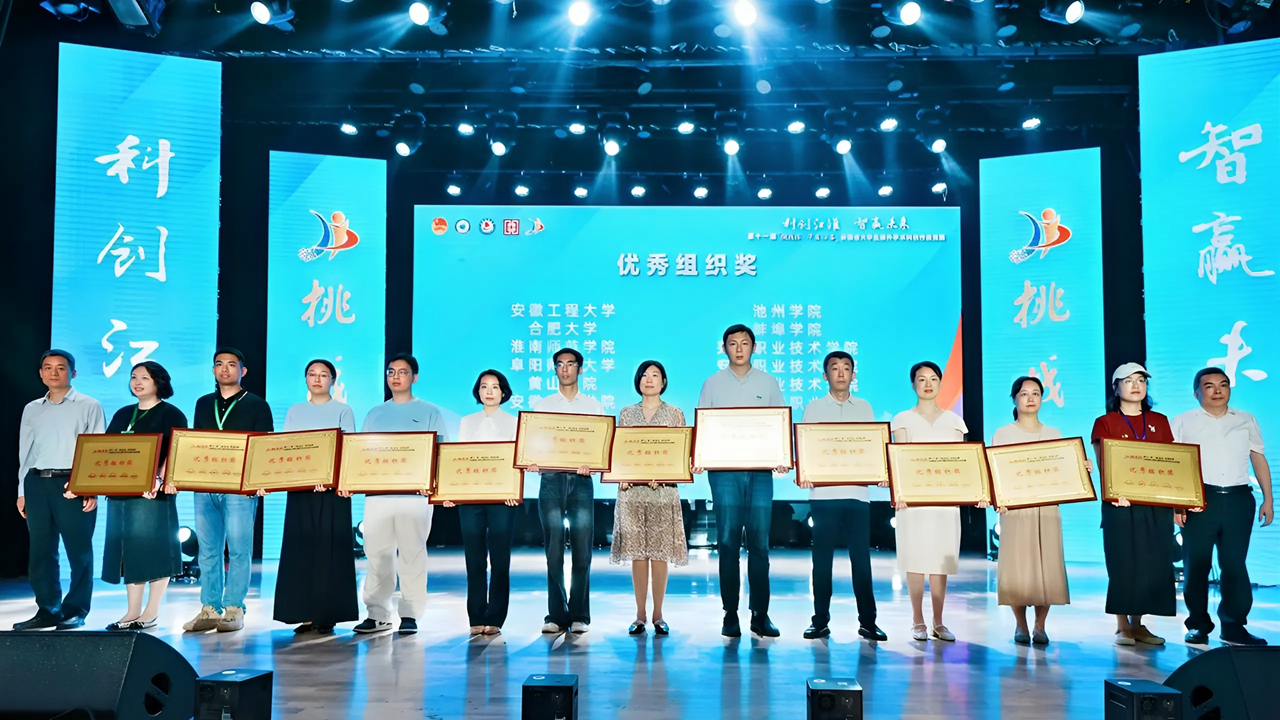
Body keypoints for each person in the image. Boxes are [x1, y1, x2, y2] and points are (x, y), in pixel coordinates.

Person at [695, 323, 788, 639]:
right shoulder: (712, 383)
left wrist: (782, 455)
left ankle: (760, 615)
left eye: (744, 343)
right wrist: (699, 456)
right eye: (732, 343)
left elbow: (779, 424)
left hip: (760, 472)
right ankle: (730, 614)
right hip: (724, 473)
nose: (739, 348)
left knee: (759, 543)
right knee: (727, 542)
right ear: (724, 348)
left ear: (754, 347)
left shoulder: (768, 382)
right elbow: (704, 426)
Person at [1172, 367, 1273, 647]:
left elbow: (1258, 458)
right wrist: (1177, 505)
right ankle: (1198, 625)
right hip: (1199, 499)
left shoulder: (1246, 419)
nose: (1217, 391)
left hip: (1239, 498)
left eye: (1223, 385)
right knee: (1197, 565)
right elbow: (1173, 463)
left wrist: (1268, 498)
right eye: (1209, 386)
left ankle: (1233, 626)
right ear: (1196, 393)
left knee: (1234, 565)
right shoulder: (1181, 422)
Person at [351, 353, 447, 636]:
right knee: (376, 554)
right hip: (378, 495)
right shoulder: (375, 413)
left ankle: (410, 614)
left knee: (412, 554)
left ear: (414, 377)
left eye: (402, 372)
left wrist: (434, 485)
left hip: (415, 496)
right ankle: (377, 614)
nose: (395, 377)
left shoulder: (430, 411)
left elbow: (440, 452)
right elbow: (361, 452)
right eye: (391, 372)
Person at [13, 350, 105, 631]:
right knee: (41, 551)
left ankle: (75, 609)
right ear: (41, 373)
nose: (54, 372)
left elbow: (97, 449)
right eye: (48, 367)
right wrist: (22, 490)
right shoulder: (32, 408)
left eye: (61, 368)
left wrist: (90, 488)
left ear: (73, 373)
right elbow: (25, 452)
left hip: (71, 484)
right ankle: (47, 609)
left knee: (79, 550)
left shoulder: (89, 405)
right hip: (36, 482)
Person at [184, 348, 274, 634]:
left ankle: (234, 608)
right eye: (219, 364)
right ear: (213, 370)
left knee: (238, 549)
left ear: (242, 371)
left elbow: (265, 446)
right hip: (205, 485)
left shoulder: (257, 404)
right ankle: (210, 608)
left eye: (232, 364)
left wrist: (261, 479)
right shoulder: (203, 403)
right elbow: (196, 442)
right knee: (208, 550)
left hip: (239, 487)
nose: (225, 369)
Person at [799, 351, 886, 642]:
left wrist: (880, 470)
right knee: (821, 562)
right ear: (825, 375)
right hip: (823, 495)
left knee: (861, 560)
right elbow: (806, 448)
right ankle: (819, 621)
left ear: (853, 375)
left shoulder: (864, 408)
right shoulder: (813, 408)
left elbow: (872, 448)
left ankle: (868, 622)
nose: (840, 373)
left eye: (846, 368)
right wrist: (806, 471)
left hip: (857, 495)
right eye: (834, 368)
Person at [1091, 362, 1178, 646]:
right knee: (1122, 563)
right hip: (1120, 504)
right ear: (1116, 388)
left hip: (1155, 504)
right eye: (1128, 381)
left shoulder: (1160, 421)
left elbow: (1170, 461)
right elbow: (1104, 463)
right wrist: (1114, 492)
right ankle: (1122, 626)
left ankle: (1138, 624)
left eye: (1141, 380)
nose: (1136, 385)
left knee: (1150, 564)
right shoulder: (1105, 422)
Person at [271, 358, 358, 634]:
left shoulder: (343, 410)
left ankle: (327, 614)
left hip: (333, 491)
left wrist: (334, 479)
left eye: (323, 374)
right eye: (312, 374)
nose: (317, 379)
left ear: (333, 380)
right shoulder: (296, 410)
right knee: (301, 549)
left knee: (330, 550)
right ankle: (304, 613)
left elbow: (348, 448)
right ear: (306, 379)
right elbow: (287, 447)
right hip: (301, 488)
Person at [101, 362, 187, 631]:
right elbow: (105, 449)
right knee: (129, 551)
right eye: (133, 377)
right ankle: (132, 611)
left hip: (153, 494)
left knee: (155, 550)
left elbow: (175, 450)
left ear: (158, 382)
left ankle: (151, 612)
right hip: (121, 493)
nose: (137, 382)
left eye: (145, 378)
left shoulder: (171, 413)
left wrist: (159, 479)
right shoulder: (123, 413)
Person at [891, 361, 971, 643]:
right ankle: (918, 620)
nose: (928, 384)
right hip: (913, 502)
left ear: (940, 383)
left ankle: (938, 621)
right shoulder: (902, 419)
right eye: (922, 379)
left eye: (933, 378)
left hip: (944, 501)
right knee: (914, 557)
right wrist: (899, 492)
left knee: (940, 560)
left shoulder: (954, 421)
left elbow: (962, 462)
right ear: (913, 384)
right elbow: (899, 460)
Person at [991, 376, 1071, 646]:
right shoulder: (1003, 434)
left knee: (1046, 566)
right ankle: (1020, 624)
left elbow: (1062, 471)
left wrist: (1078, 468)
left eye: (1036, 393)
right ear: (1014, 398)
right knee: (1018, 567)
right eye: (1024, 393)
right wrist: (998, 499)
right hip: (1015, 508)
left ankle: (1040, 625)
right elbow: (995, 472)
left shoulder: (1054, 434)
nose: (1030, 398)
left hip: (1046, 508)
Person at [611, 360, 689, 636]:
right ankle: (639, 615)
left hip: (662, 493)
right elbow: (620, 453)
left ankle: (658, 614)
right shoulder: (627, 413)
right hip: (632, 493)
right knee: (638, 555)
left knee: (659, 554)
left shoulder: (675, 414)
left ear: (663, 382)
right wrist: (622, 474)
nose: (649, 379)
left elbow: (680, 454)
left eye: (655, 375)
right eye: (644, 375)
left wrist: (664, 474)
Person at [529, 347, 603, 635]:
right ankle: (556, 615)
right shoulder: (542, 405)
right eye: (560, 364)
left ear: (580, 370)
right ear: (554, 369)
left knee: (582, 550)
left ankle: (580, 614)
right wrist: (532, 460)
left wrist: (593, 463)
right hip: (551, 479)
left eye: (571, 364)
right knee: (553, 550)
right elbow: (534, 443)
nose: (565, 369)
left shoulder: (593, 406)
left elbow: (599, 446)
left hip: (581, 481)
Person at [446, 369, 521, 636]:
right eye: (484, 386)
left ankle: (496, 617)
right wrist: (451, 491)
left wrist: (514, 489)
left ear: (504, 392)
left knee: (500, 559)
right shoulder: (467, 421)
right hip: (471, 497)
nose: (489, 391)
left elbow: (516, 460)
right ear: (478, 391)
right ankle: (476, 615)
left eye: (495, 386)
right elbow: (459, 458)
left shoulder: (514, 422)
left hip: (503, 498)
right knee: (474, 558)